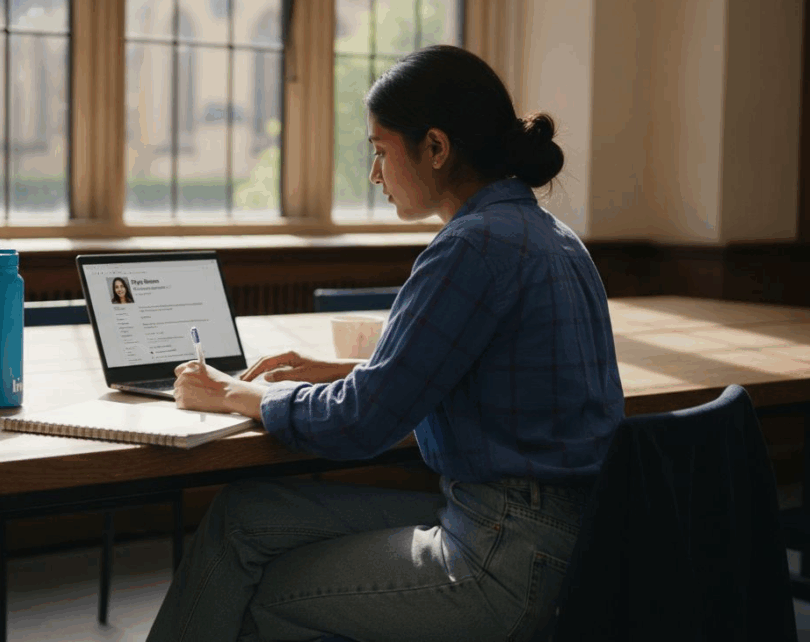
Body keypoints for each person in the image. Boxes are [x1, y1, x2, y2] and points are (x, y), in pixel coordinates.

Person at [149, 45, 624, 642]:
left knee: (262, 588)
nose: (374, 176)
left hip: (500, 554)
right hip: (559, 537)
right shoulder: (551, 237)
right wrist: (345, 368)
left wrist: (237, 395)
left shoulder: (471, 247)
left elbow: (362, 421)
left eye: (379, 151)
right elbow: (477, 369)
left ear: (435, 147)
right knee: (241, 518)